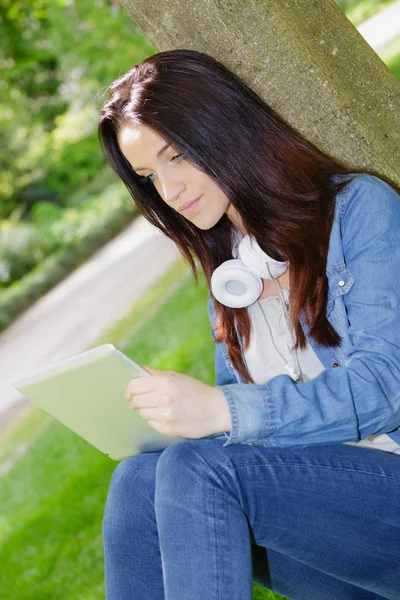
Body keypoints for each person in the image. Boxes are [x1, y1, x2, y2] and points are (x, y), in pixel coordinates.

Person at [97, 49, 400, 600]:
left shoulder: (359, 208)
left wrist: (222, 410)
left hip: (388, 495)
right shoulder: (231, 272)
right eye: (148, 175)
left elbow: (386, 385)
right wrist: (178, 416)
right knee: (139, 479)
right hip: (323, 525)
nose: (170, 191)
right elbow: (242, 431)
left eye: (179, 156)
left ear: (226, 130)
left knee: (201, 468)